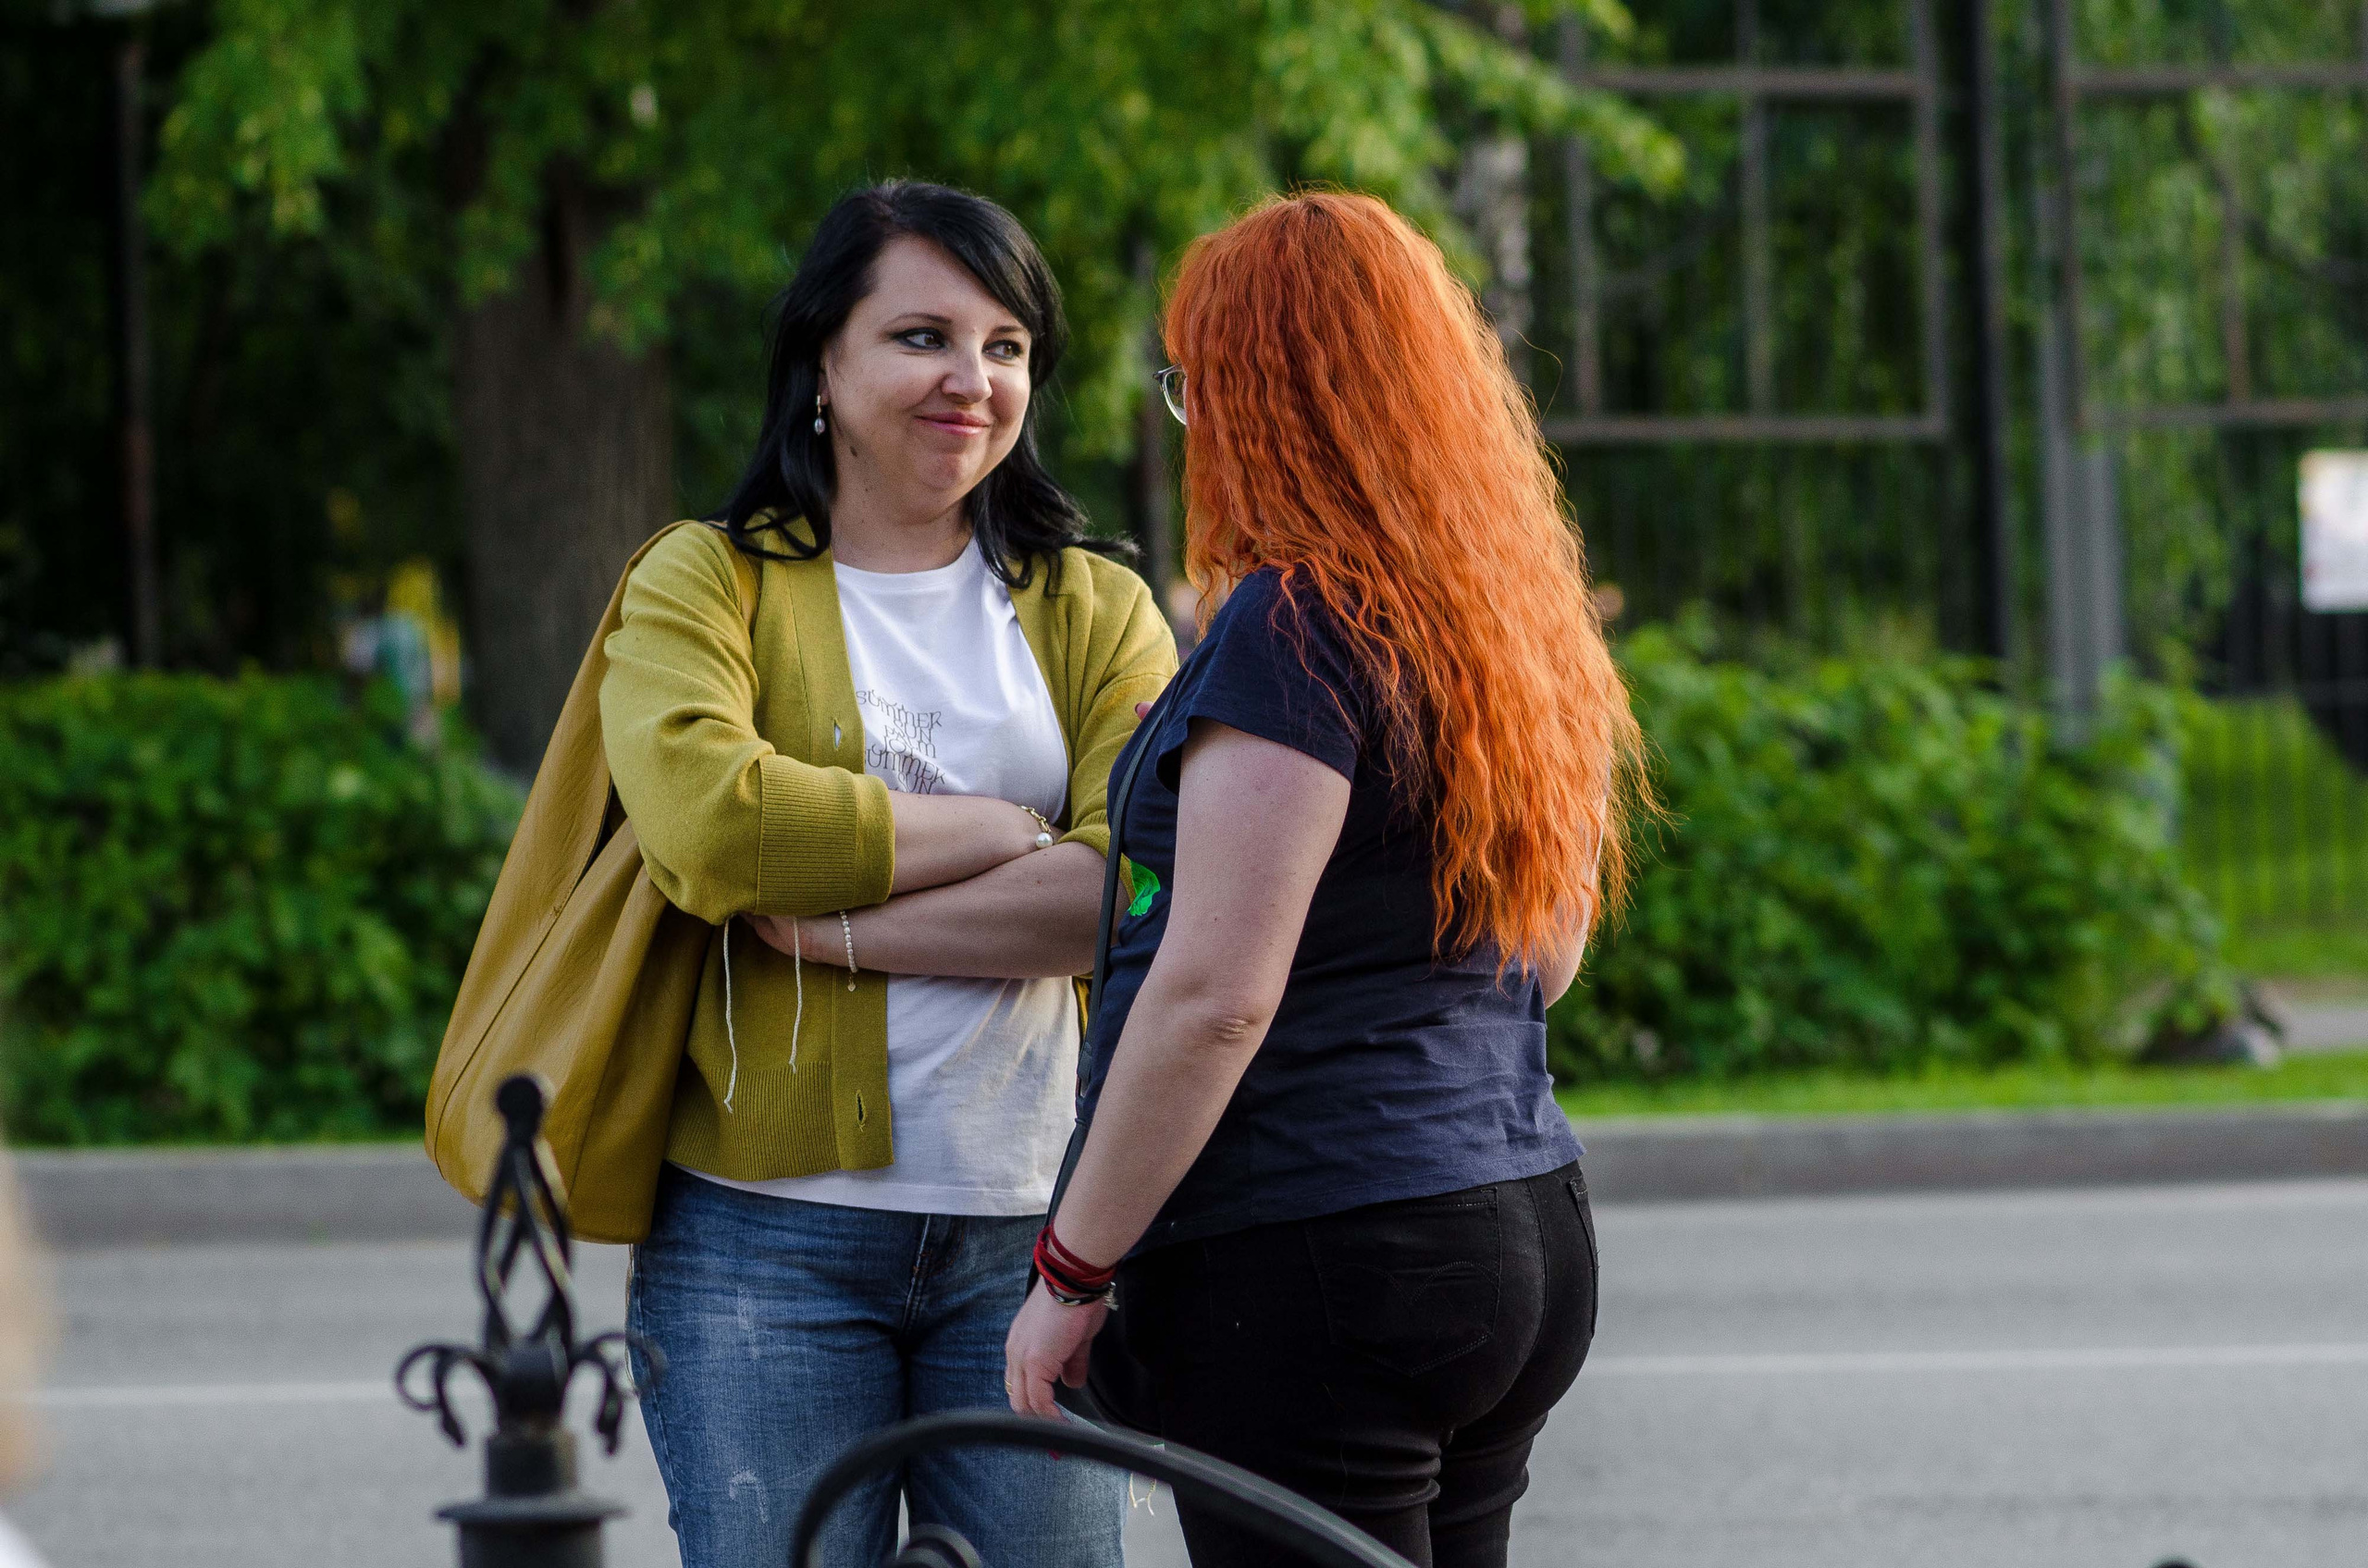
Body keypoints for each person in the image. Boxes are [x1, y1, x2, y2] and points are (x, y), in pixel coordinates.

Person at [1003, 191, 1646, 1568]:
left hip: (1317, 1252)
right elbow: (1552, 948)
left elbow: (1217, 996)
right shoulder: (1508, 622)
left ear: (1261, 399)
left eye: (1196, 387)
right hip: (1519, 1220)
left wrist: (1072, 1270)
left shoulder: (1294, 629)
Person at [607, 181, 1174, 1568]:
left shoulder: (1097, 607)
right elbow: (713, 829)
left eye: (1006, 346)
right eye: (922, 336)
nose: (970, 380)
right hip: (760, 1246)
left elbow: (1144, 892)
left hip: (1032, 1230)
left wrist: (836, 929)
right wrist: (997, 833)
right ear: (822, 365)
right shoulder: (703, 583)